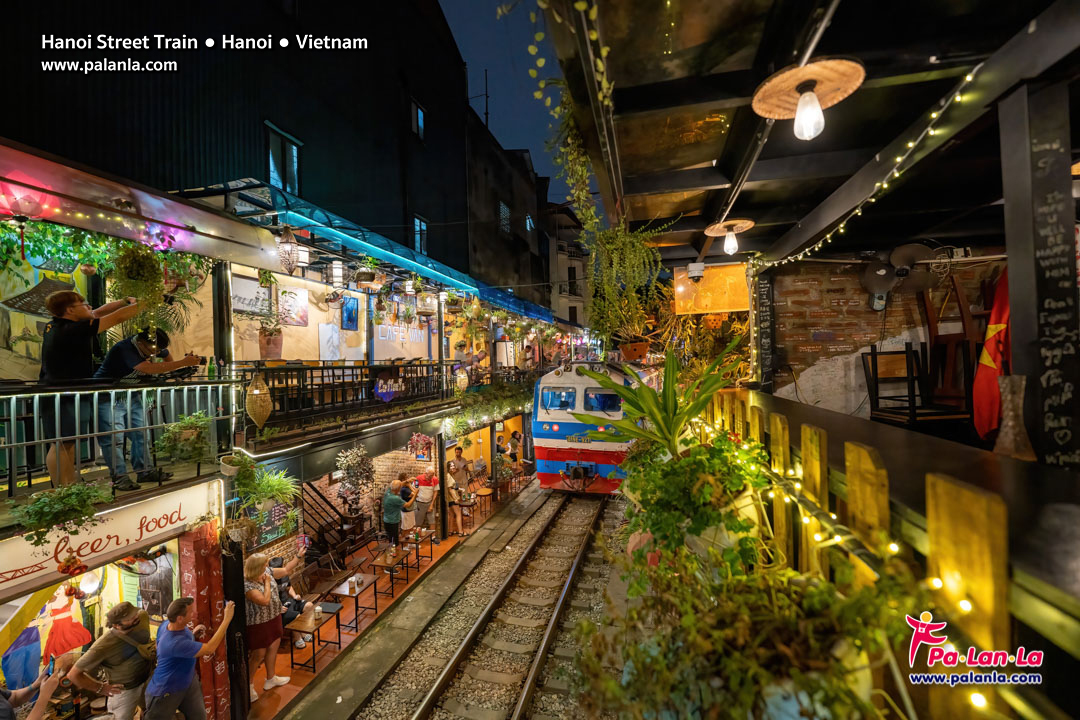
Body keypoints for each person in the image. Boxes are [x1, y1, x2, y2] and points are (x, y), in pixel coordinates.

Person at [40, 290, 142, 486]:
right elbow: (117, 317)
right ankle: (65, 490)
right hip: (62, 394)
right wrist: (151, 302)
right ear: (70, 310)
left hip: (66, 392)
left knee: (67, 444)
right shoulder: (72, 330)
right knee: (61, 445)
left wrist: (123, 301)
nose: (89, 307)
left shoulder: (58, 324)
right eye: (84, 304)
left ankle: (70, 487)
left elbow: (98, 313)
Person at [93, 328, 201, 490]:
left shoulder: (153, 345)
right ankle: (120, 478)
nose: (154, 353)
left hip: (131, 394)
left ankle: (144, 471)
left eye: (157, 350)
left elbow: (165, 357)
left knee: (141, 433)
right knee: (114, 439)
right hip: (107, 395)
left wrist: (173, 369)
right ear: (140, 342)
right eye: (152, 350)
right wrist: (182, 363)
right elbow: (147, 368)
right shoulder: (124, 348)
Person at [144, 597, 235, 720]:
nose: (193, 614)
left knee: (199, 717)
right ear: (180, 618)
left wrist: (191, 636)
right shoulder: (174, 643)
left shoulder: (167, 624)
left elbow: (160, 645)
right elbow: (209, 649)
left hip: (188, 682)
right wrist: (227, 619)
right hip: (167, 690)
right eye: (190, 612)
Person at [67, 602, 153, 720]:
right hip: (125, 691)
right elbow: (73, 675)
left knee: (149, 711)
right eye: (129, 618)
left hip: (148, 679)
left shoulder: (142, 616)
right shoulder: (102, 646)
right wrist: (100, 688)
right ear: (117, 625)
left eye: (134, 614)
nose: (135, 618)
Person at [244, 551, 304, 702]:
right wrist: (266, 582)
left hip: (274, 617)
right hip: (259, 623)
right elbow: (264, 601)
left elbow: (285, 570)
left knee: (274, 644)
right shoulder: (248, 585)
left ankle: (271, 678)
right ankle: (249, 686)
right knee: (258, 654)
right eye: (264, 564)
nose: (267, 566)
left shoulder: (267, 572)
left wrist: (297, 556)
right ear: (256, 567)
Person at [268, 558, 314, 649]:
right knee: (295, 616)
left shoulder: (284, 575)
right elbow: (266, 600)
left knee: (309, 606)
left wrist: (294, 595)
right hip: (277, 610)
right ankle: (297, 638)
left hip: (288, 601)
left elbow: (289, 587)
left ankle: (305, 631)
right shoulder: (268, 581)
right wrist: (278, 608)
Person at [382, 480, 413, 549]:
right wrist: (415, 495)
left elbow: (396, 486)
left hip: (386, 521)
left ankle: (393, 555)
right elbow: (408, 505)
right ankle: (394, 557)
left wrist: (407, 481)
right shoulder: (395, 498)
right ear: (398, 489)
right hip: (392, 522)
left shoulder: (388, 493)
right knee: (394, 543)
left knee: (392, 540)